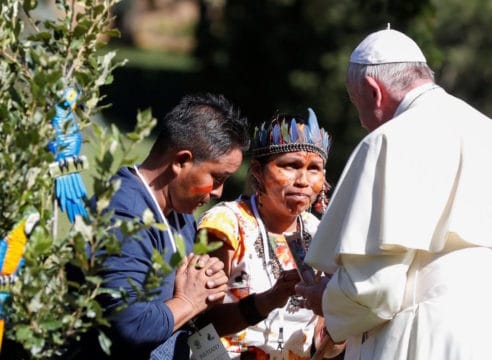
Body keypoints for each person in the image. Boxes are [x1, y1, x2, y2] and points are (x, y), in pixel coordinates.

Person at [295, 26, 492, 359]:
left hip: (423, 335)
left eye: (358, 105)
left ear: (374, 92)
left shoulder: (389, 140)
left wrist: (326, 298)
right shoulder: (484, 129)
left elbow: (376, 289)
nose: (362, 122)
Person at [86, 93, 250, 359]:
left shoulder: (179, 214)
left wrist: (208, 292)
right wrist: (189, 301)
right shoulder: (122, 216)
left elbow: (191, 325)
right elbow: (130, 325)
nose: (219, 192)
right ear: (181, 161)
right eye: (217, 178)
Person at [196, 108, 342, 359]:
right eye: (291, 165)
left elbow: (325, 341)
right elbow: (199, 320)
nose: (303, 180)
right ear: (257, 171)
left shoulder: (320, 233)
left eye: (314, 169)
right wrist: (267, 300)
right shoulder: (225, 224)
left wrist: (338, 322)